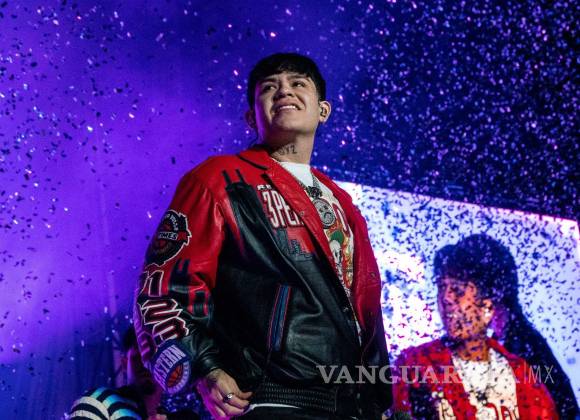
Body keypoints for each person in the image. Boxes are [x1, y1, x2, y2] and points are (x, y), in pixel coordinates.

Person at [133, 52, 392, 419]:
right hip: (271, 398)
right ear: (251, 117)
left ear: (323, 110)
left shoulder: (342, 201)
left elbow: (363, 306)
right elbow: (162, 288)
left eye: (298, 83)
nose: (284, 90)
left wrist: (378, 398)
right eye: (269, 87)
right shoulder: (219, 179)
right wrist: (205, 369)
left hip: (352, 406)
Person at [392, 238, 558, 418]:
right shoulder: (415, 365)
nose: (446, 298)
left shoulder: (524, 375)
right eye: (441, 286)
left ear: (488, 306)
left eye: (458, 289)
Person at [465, 234, 578, 419]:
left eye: (462, 288)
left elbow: (565, 410)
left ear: (491, 290)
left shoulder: (524, 348)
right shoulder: (505, 341)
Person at [69, 327, 199, 419]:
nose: (147, 365)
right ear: (125, 363)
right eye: (140, 357)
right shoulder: (98, 402)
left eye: (156, 357)